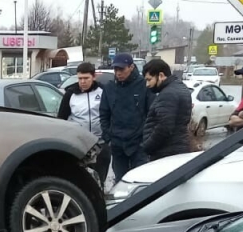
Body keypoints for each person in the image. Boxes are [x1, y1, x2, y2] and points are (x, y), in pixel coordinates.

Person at [99, 52, 149, 184]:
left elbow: (151, 114)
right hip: (117, 143)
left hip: (139, 144)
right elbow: (104, 113)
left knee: (140, 181)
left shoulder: (143, 85)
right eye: (116, 69)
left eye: (122, 69)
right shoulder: (109, 88)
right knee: (121, 181)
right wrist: (108, 136)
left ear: (131, 67)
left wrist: (146, 138)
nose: (118, 73)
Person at [57, 62, 109, 183]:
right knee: (82, 180)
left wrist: (109, 136)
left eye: (86, 78)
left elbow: (111, 114)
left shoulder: (103, 91)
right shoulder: (70, 94)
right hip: (79, 143)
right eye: (80, 78)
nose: (83, 81)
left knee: (101, 177)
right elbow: (61, 118)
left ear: (94, 77)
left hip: (101, 142)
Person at [141, 58, 193, 161]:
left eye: (149, 79)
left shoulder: (168, 94)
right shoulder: (180, 88)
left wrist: (147, 146)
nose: (147, 85)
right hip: (177, 148)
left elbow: (164, 127)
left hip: (166, 152)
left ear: (161, 76)